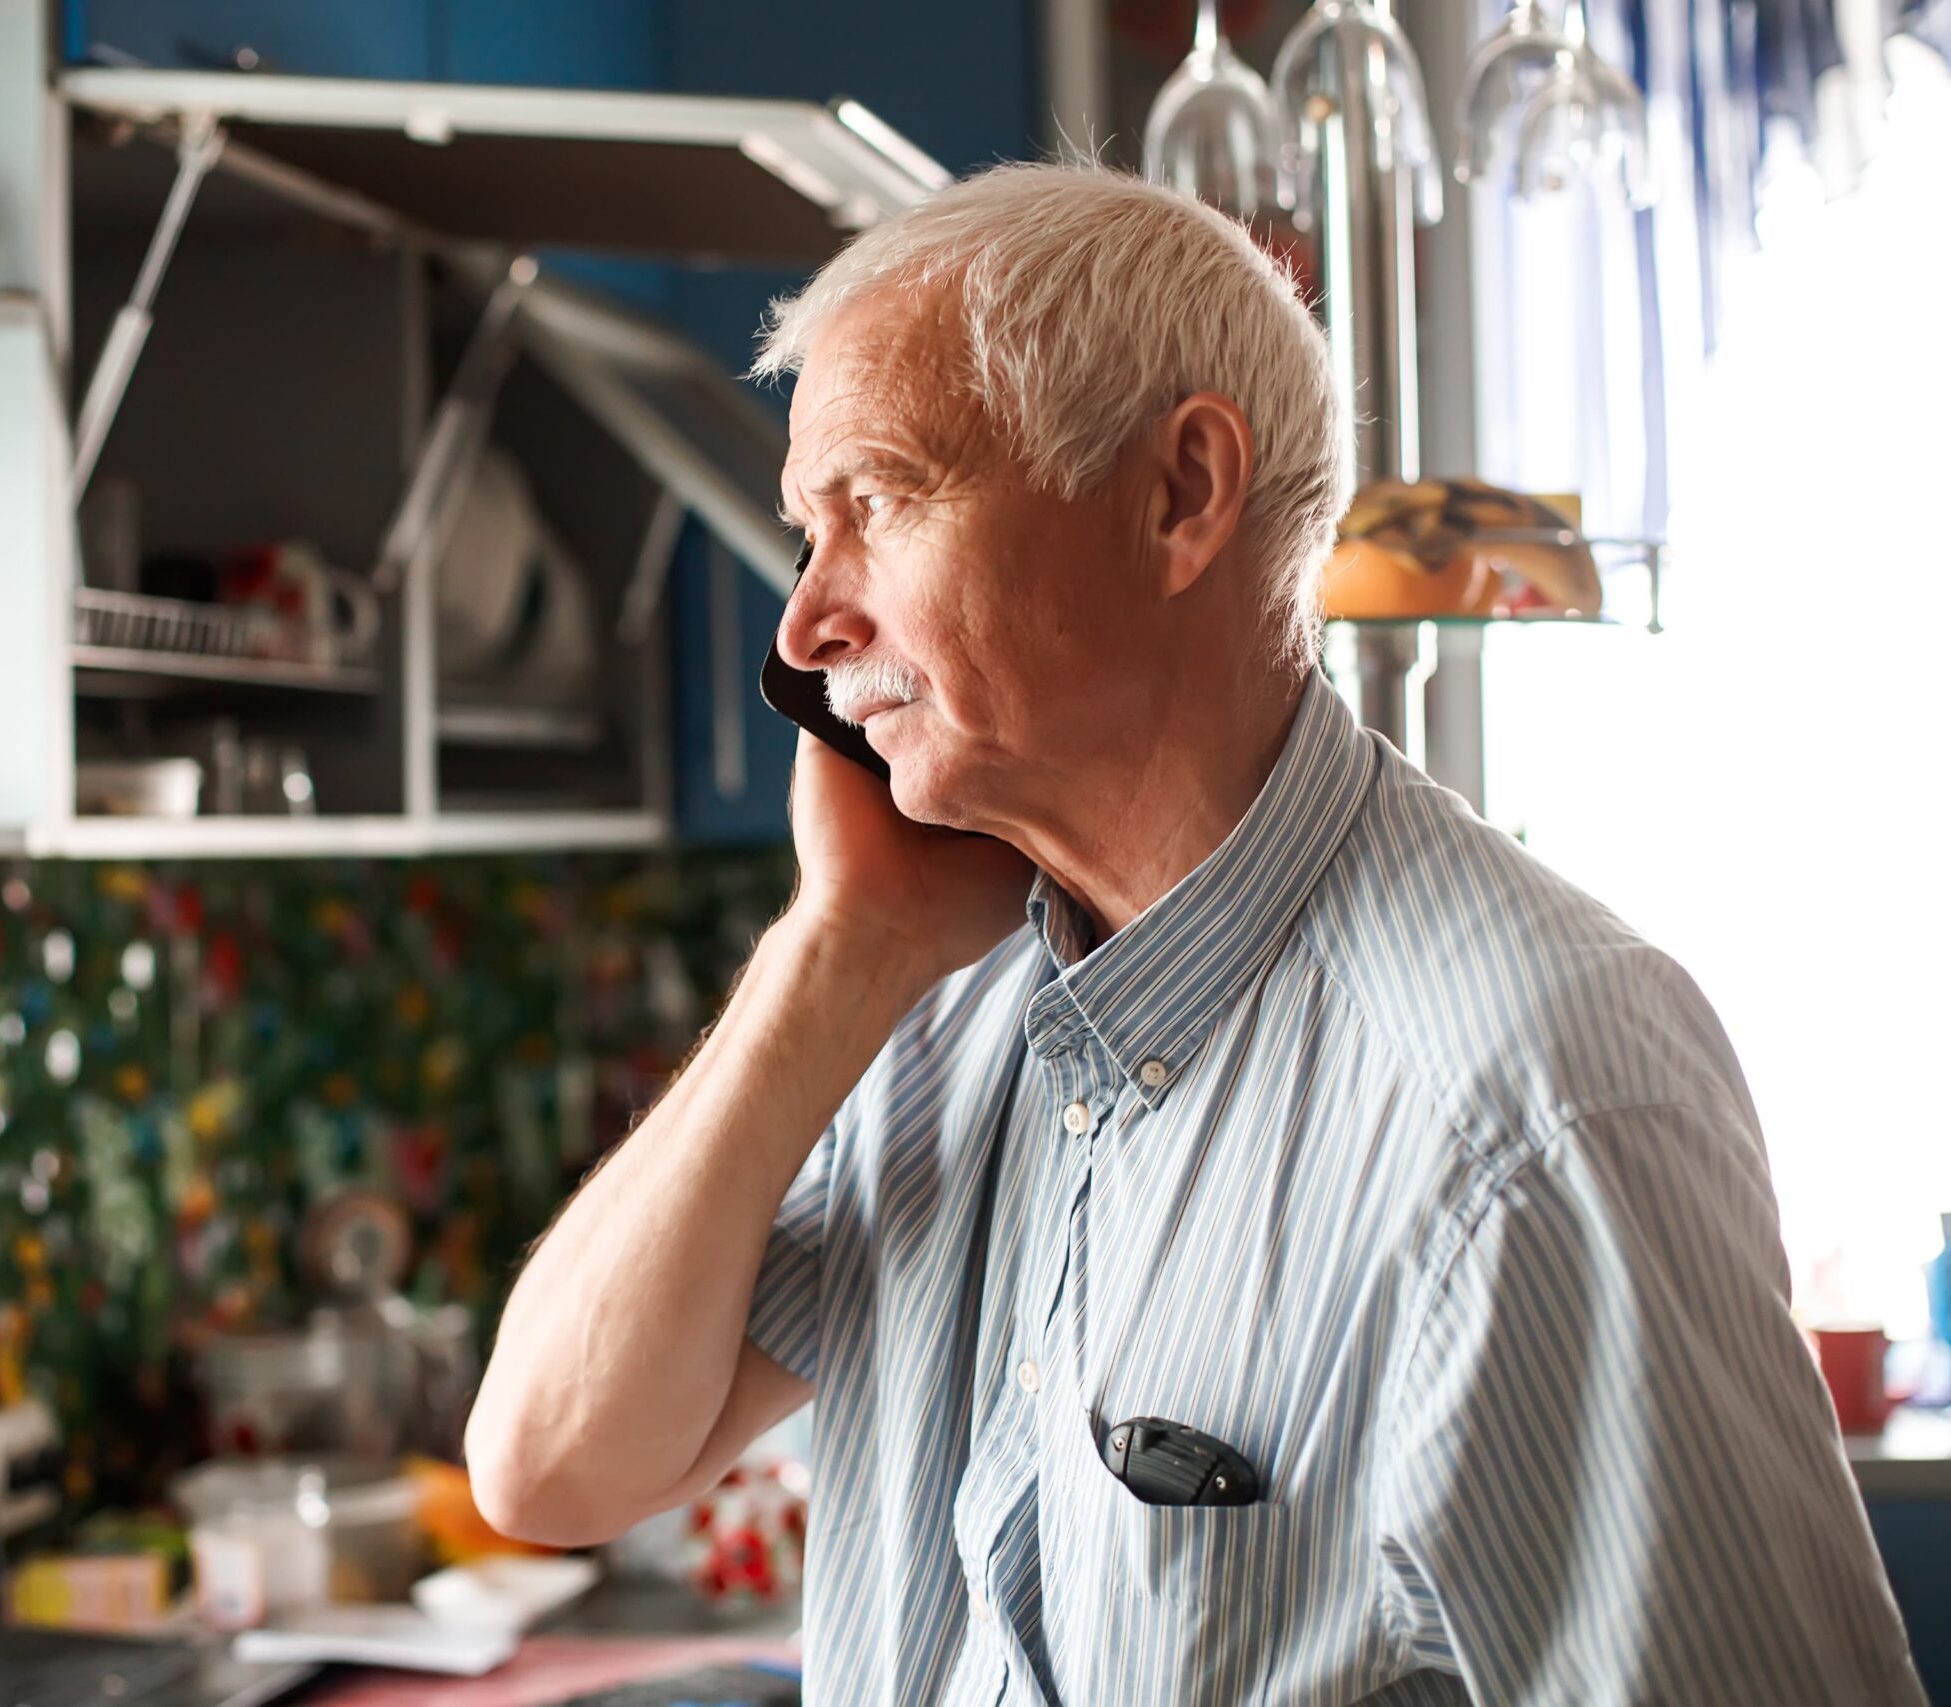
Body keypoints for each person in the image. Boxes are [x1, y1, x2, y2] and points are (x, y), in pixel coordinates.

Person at [463, 163, 1922, 1706]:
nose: (803, 627)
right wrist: (839, 948)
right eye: (805, 533)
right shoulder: (935, 996)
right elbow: (550, 1468)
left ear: (1180, 495)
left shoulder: (1531, 1098)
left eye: (878, 503)